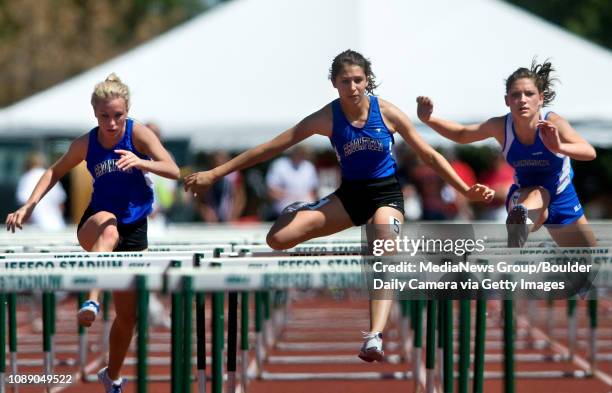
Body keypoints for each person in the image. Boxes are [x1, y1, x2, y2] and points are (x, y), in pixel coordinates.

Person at [185, 49, 494, 362]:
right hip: (349, 197)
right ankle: (301, 210)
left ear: (368, 80)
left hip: (385, 196)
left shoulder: (387, 112)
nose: (353, 87)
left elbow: (429, 155)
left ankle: (374, 335)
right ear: (334, 83)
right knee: (277, 240)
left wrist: (464, 189)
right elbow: (269, 148)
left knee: (383, 239)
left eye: (358, 80)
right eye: (345, 81)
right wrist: (215, 173)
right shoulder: (327, 117)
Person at [5, 74, 180, 393]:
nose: (111, 123)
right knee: (108, 228)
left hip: (136, 227)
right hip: (96, 221)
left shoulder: (137, 133)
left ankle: (111, 375)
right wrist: (29, 205)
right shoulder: (87, 142)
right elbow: (54, 171)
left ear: (127, 112)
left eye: (117, 116)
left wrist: (142, 162)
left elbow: (174, 169)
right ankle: (92, 301)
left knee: (129, 317)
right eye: (104, 116)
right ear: (95, 114)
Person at [416, 59, 597, 249]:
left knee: (588, 261)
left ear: (541, 98)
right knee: (539, 194)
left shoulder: (554, 123)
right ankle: (519, 229)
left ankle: (547, 250)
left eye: (529, 94)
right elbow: (462, 134)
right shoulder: (501, 127)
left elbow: (589, 152)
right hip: (523, 198)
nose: (523, 100)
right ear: (507, 100)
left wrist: (559, 147)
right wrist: (428, 119)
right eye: (516, 95)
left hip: (561, 195)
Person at [16, 152, 67, 231]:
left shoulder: (26, 178)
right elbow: (61, 205)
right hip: (57, 225)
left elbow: (23, 206)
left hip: (37, 227)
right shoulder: (52, 176)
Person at [265, 145, 319, 220]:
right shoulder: (279, 165)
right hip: (282, 213)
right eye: (298, 152)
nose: (300, 155)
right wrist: (289, 197)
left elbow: (313, 191)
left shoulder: (309, 167)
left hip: (305, 213)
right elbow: (271, 191)